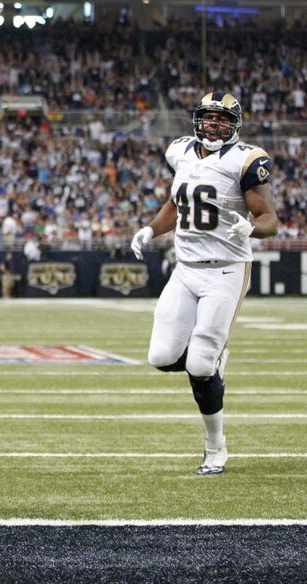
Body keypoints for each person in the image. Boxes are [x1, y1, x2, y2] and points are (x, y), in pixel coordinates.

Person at [131, 92, 279, 475]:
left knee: (198, 363)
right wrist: (150, 229)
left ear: (234, 125)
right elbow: (175, 206)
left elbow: (270, 219)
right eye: (208, 118)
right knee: (161, 357)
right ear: (197, 120)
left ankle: (216, 448)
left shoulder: (244, 159)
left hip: (227, 269)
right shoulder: (180, 152)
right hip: (186, 267)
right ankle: (211, 364)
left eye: (221, 120)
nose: (214, 125)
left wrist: (252, 227)